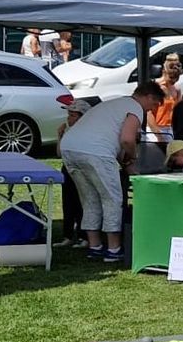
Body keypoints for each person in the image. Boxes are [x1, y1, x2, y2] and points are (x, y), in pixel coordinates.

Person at [57, 79, 164, 263]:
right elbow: (127, 140)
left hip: (69, 148)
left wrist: (126, 162)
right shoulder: (134, 107)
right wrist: (133, 157)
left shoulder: (113, 104)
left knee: (89, 199)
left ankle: (95, 246)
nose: (150, 111)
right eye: (153, 105)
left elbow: (114, 141)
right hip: (95, 152)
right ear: (148, 97)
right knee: (112, 198)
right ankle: (114, 249)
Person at [56, 99, 91, 246]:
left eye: (73, 115)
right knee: (68, 201)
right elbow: (59, 153)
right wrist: (60, 136)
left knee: (82, 201)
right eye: (68, 115)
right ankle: (68, 235)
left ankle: (84, 235)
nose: (69, 118)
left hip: (83, 170)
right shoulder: (68, 132)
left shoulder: (89, 133)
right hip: (68, 168)